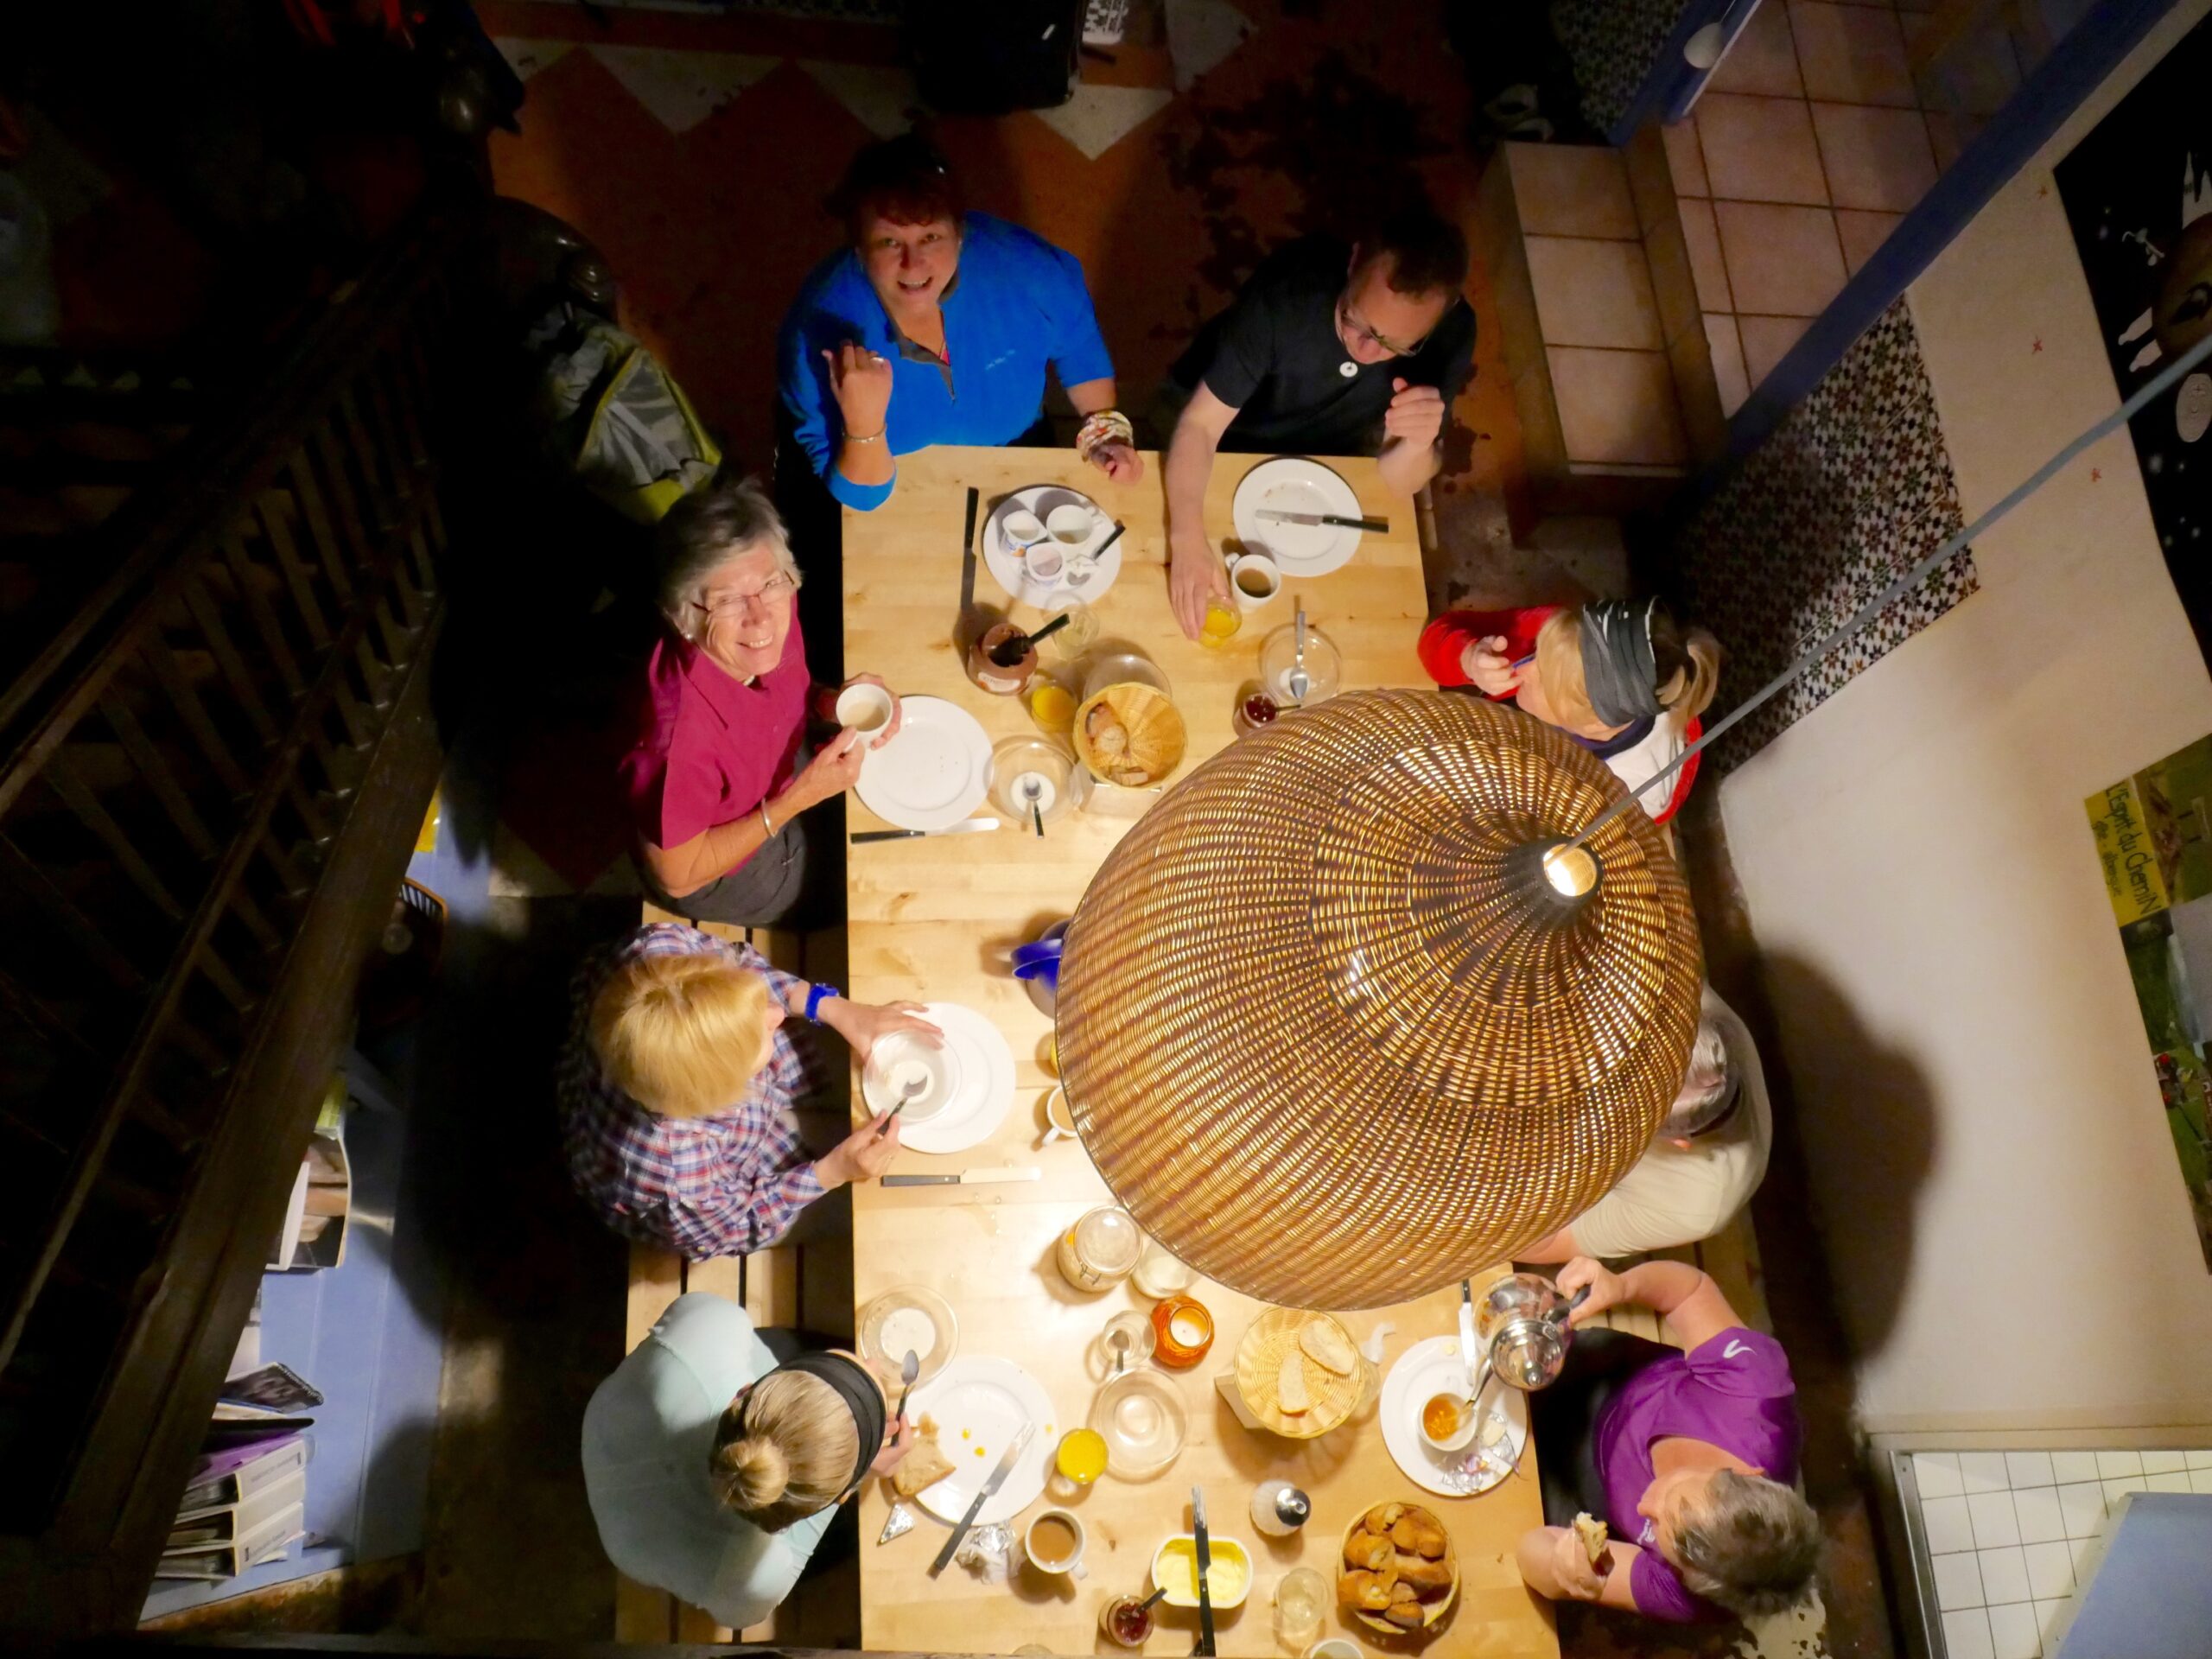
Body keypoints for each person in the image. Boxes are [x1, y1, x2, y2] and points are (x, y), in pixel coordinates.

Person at [777, 133, 1141, 515]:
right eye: (888, 242)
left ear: (960, 235)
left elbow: (1080, 349)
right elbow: (861, 497)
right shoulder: (814, 330)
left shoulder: (1030, 268)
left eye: (930, 236)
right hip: (884, 474)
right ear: (858, 248)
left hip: (1010, 448)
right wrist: (864, 423)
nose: (913, 265)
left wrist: (1106, 434)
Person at [1162, 207, 1478, 636]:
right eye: (1356, 320)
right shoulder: (1288, 296)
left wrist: (1418, 445)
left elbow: (1398, 481)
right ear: (1353, 262)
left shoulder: (1451, 333)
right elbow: (1200, 426)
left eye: (1393, 345)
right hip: (1231, 425)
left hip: (1331, 447)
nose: (1365, 352)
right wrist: (1185, 539)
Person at [559, 920, 939, 1257]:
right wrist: (835, 1170)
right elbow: (736, 1224)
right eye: (761, 1033)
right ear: (720, 1093)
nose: (776, 1013)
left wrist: (832, 1007)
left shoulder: (658, 954)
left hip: (708, 1099)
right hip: (727, 1185)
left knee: (875, 1059)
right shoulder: (676, 1172)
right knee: (878, 1203)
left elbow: (742, 967)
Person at [619, 476, 899, 925]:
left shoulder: (771, 611)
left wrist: (832, 703)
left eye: (771, 583)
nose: (761, 617)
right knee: (841, 897)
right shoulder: (675, 743)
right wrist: (794, 801)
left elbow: (787, 694)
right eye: (727, 601)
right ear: (682, 617)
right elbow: (678, 875)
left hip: (779, 774)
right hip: (721, 865)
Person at [1514, 1257, 1821, 1623]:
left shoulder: (1691, 1592)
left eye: (1659, 1534)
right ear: (1749, 1473)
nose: (1644, 1508)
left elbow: (1529, 1554)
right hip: (1611, 1378)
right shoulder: (1753, 1392)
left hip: (1587, 1487)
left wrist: (1562, 1571)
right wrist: (1622, 1287)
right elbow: (1688, 1293)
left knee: (1498, 1520)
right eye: (1674, 1494)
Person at [582, 1290, 909, 1630]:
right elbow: (739, 1617)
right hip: (635, 1542)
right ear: (834, 1499)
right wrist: (859, 1477)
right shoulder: (750, 1577)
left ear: (744, 1392)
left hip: (610, 1429)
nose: (875, 1365)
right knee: (847, 1539)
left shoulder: (708, 1331)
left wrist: (843, 1469)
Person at [1417, 598, 1720, 824]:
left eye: (1546, 679)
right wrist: (1466, 657)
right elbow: (1435, 636)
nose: (1526, 664)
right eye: (1538, 651)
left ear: (1589, 725)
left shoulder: (1625, 792)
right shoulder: (1564, 639)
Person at [1522, 987, 1771, 1261]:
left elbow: (1548, 1241)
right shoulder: (1673, 991)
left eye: (1608, 1107)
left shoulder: (1694, 1205)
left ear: (1677, 1142)